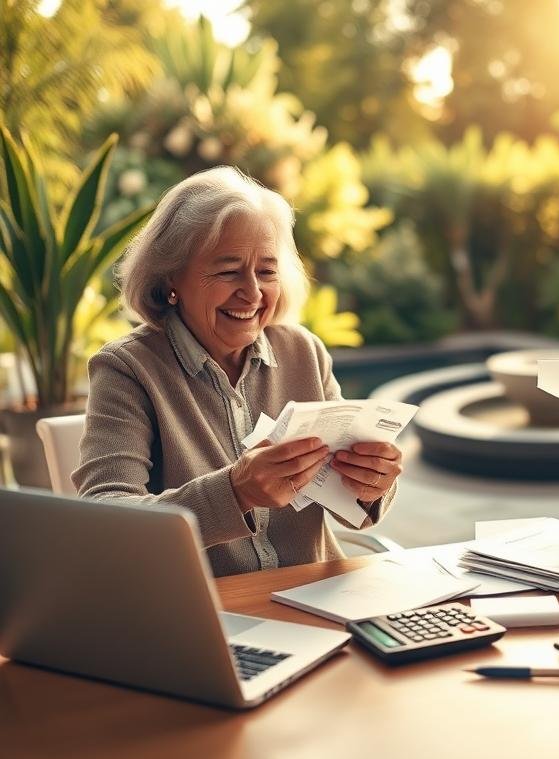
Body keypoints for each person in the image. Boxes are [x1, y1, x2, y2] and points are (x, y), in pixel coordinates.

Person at [74, 166, 402, 577]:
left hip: (319, 597)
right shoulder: (127, 369)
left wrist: (372, 484)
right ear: (171, 277)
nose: (252, 292)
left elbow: (347, 506)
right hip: (205, 611)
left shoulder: (304, 351)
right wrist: (233, 492)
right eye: (229, 270)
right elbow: (105, 523)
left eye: (266, 270)